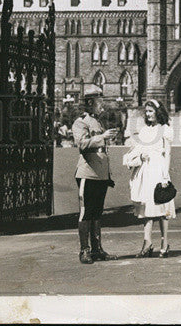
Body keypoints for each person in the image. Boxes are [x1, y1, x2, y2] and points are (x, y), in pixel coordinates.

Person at [123, 98, 175, 257]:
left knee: (161, 207)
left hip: (158, 170)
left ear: (158, 112)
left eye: (151, 111)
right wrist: (138, 157)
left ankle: (164, 242)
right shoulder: (145, 130)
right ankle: (147, 242)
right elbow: (138, 148)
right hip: (145, 171)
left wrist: (165, 176)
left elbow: (167, 153)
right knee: (146, 207)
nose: (148, 114)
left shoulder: (165, 129)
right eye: (146, 111)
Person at [72, 89, 118, 264]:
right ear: (90, 102)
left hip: (100, 174)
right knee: (86, 213)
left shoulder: (97, 122)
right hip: (87, 173)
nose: (103, 105)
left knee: (97, 213)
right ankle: (84, 250)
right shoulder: (80, 122)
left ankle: (97, 249)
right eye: (100, 102)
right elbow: (82, 144)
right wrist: (102, 137)